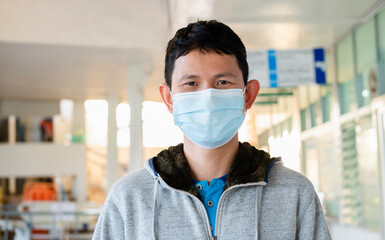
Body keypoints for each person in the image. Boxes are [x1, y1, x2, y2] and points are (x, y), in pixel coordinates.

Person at [92, 20, 331, 240]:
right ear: (169, 98)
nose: (207, 97)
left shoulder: (294, 193)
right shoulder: (129, 198)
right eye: (191, 83)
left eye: (222, 83)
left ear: (248, 95)